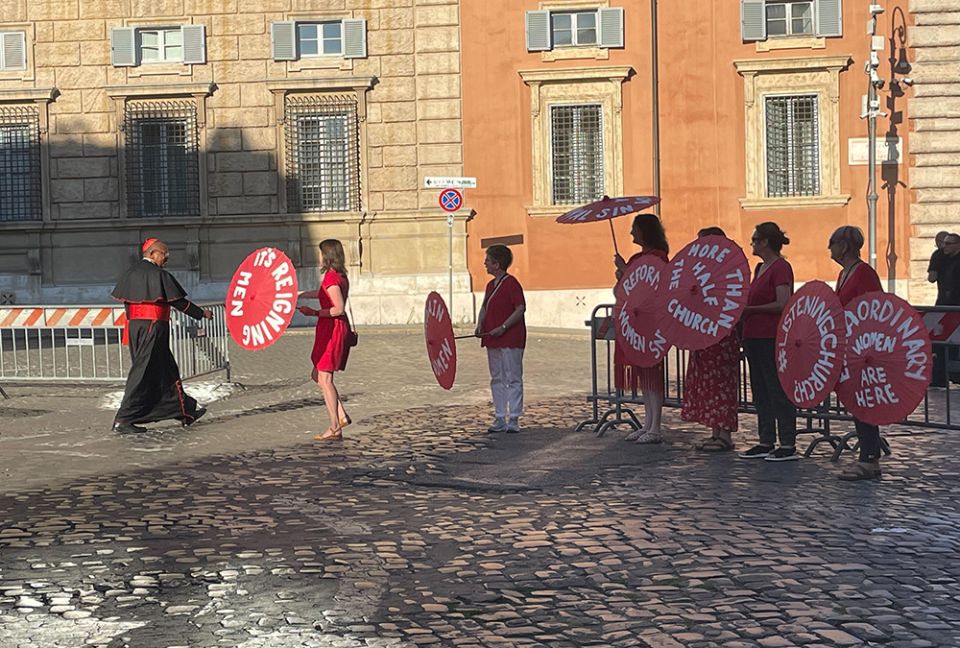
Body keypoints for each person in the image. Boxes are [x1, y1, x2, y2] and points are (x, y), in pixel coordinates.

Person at [111, 238, 212, 434]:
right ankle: (123, 418)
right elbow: (179, 302)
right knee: (143, 371)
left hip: (135, 327)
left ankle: (185, 411)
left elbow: (128, 303)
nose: (166, 259)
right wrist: (202, 314)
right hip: (154, 327)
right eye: (164, 254)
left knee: (166, 369)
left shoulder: (130, 273)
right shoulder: (158, 274)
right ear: (152, 253)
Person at [737, 222, 798, 461]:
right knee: (760, 390)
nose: (751, 243)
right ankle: (766, 439)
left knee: (776, 388)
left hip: (770, 335)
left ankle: (787, 441)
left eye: (754, 239)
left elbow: (783, 302)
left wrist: (750, 309)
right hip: (753, 335)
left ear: (765, 242)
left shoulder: (781, 268)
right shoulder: (760, 268)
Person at [829, 226, 885, 481]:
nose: (829, 248)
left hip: (864, 349)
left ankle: (869, 459)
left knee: (865, 402)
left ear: (845, 246)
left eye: (833, 243)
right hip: (849, 348)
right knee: (856, 402)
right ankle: (867, 455)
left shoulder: (864, 273)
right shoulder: (843, 274)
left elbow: (876, 305)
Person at [681, 227, 740, 451]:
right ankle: (715, 431)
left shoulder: (727, 272)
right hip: (704, 333)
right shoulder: (701, 272)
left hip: (722, 335)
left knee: (722, 384)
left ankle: (724, 434)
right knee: (710, 384)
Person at [613, 213, 669, 443]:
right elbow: (623, 292)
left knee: (653, 376)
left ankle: (655, 427)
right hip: (636, 323)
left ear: (645, 231)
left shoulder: (658, 258)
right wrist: (622, 274)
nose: (631, 233)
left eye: (635, 228)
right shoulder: (638, 259)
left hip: (651, 325)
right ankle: (647, 424)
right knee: (645, 377)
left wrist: (625, 270)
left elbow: (654, 288)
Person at [298, 239, 353, 442]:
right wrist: (300, 295)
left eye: (321, 254)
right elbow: (324, 294)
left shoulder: (331, 278)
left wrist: (313, 312)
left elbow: (338, 308)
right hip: (329, 328)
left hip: (332, 329)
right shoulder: (338, 276)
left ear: (327, 256)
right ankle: (341, 415)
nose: (319, 258)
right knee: (318, 375)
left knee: (325, 379)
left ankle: (335, 426)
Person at [475, 244, 526, 433]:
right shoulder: (490, 285)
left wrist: (503, 327)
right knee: (496, 378)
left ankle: (513, 418)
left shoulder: (511, 283)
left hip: (510, 337)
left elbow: (520, 308)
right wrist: (480, 324)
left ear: (497, 264)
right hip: (492, 337)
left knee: (513, 377)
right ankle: (499, 417)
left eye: (488, 260)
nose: (485, 263)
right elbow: (485, 307)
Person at [931, 233, 960, 386]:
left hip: (956, 305)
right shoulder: (939, 257)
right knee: (939, 341)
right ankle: (939, 378)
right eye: (943, 243)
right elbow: (931, 278)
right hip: (944, 304)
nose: (944, 246)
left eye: (949, 244)